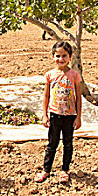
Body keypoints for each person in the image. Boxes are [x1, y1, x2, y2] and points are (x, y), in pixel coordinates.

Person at [35, 41, 82, 184]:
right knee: (52, 144)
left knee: (68, 143)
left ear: (70, 57)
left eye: (64, 56)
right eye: (57, 56)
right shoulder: (50, 75)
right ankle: (46, 170)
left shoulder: (74, 75)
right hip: (54, 115)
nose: (60, 59)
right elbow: (46, 96)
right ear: (53, 56)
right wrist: (44, 114)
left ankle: (65, 170)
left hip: (69, 116)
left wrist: (78, 117)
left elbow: (78, 97)